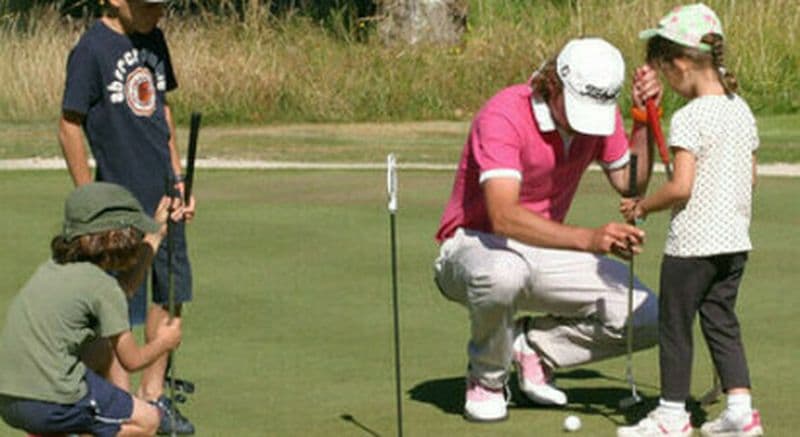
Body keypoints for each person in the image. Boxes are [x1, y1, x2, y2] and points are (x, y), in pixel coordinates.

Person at [433, 37, 663, 422]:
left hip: (544, 248)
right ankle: (488, 379)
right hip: (474, 246)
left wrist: (641, 119)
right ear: (554, 83)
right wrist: (590, 240)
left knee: (651, 315)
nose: (584, 120)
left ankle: (536, 347)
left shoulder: (599, 115)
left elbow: (631, 183)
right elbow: (503, 216)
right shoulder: (505, 113)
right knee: (504, 273)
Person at [617, 4, 762, 437]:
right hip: (734, 241)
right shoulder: (742, 109)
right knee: (721, 318)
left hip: (692, 246)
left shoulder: (689, 116)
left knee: (675, 325)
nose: (668, 80)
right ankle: (740, 410)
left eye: (666, 68)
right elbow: (749, 177)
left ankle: (671, 415)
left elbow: (680, 187)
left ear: (680, 64)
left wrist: (642, 207)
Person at [57, 0, 196, 433]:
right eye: (150, 5)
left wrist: (178, 178)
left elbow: (163, 111)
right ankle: (117, 404)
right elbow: (69, 124)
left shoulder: (154, 37)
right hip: (116, 200)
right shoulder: (91, 49)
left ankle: (153, 398)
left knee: (170, 292)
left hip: (164, 196)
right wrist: (89, 199)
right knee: (115, 305)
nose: (159, 12)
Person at [0, 182, 182, 437]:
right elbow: (132, 360)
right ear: (117, 237)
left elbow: (123, 290)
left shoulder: (55, 268)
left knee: (102, 348)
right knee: (147, 421)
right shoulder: (102, 287)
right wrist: (166, 341)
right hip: (50, 401)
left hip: (10, 398)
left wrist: (156, 235)